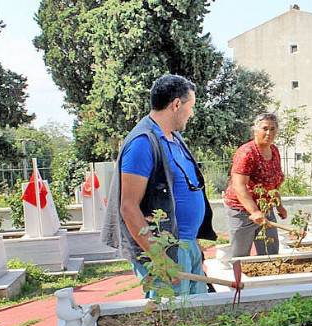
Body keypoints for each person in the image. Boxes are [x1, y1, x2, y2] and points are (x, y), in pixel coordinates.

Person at [102, 74, 216, 297]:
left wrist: (192, 243)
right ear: (176, 104)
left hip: (185, 245)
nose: (191, 114)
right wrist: (160, 258)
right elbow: (128, 207)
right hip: (164, 250)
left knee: (195, 318)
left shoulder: (174, 138)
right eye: (190, 106)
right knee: (170, 322)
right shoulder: (142, 143)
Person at [223, 113, 286, 257]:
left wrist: (279, 205)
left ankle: (268, 279)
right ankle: (238, 279)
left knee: (270, 253)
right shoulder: (247, 152)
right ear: (255, 130)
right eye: (265, 128)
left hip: (265, 207)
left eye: (273, 129)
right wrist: (254, 211)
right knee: (240, 255)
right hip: (241, 210)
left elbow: (273, 182)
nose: (269, 133)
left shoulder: (274, 151)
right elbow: (239, 185)